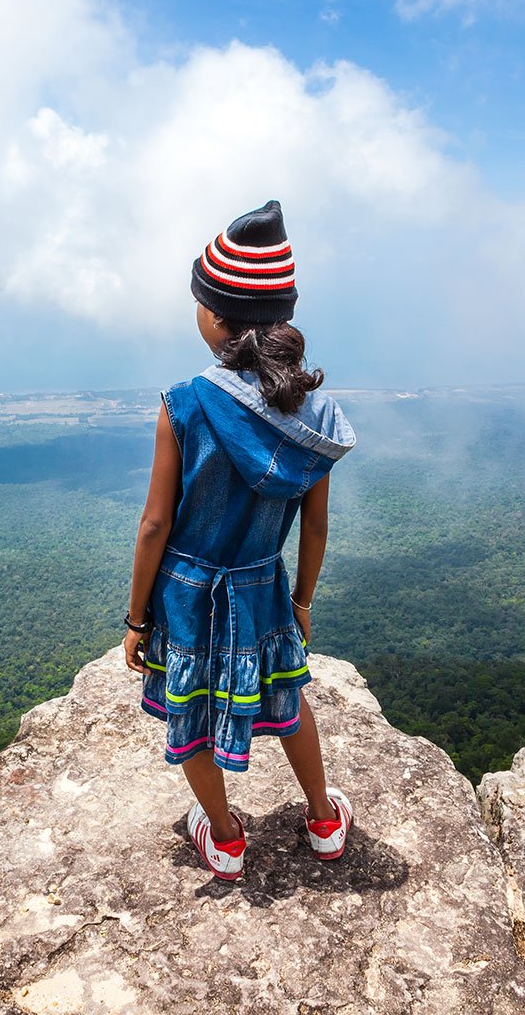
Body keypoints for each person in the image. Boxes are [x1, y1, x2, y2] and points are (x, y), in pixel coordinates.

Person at [121, 199, 358, 882]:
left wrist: (137, 619)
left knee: (189, 710)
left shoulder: (186, 402)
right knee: (287, 698)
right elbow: (314, 525)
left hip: (188, 593)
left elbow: (154, 525)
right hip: (262, 585)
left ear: (217, 318)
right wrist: (304, 600)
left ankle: (224, 836)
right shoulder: (311, 412)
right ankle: (321, 820)